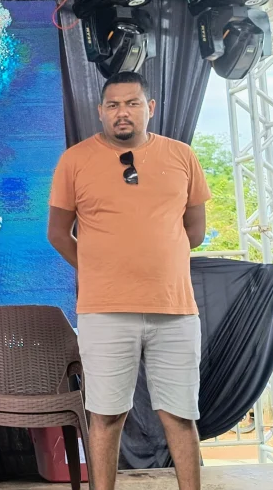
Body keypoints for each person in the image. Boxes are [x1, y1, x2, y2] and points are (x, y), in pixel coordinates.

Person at [47, 71, 209, 490]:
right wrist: (98, 269)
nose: (123, 112)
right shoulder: (75, 160)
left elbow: (195, 230)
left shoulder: (182, 156)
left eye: (132, 103)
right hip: (104, 312)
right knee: (105, 415)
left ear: (149, 108)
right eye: (114, 105)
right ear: (100, 111)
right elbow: (58, 233)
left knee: (180, 415)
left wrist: (157, 258)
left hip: (174, 309)